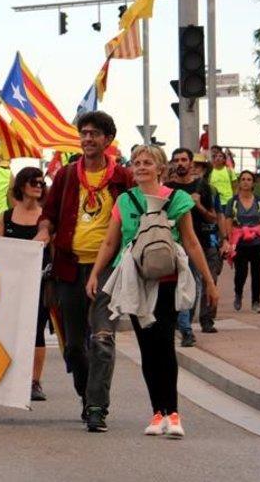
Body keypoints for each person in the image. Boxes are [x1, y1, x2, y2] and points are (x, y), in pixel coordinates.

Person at [85, 145, 219, 439]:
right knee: (147, 346)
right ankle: (157, 412)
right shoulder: (125, 200)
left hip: (167, 278)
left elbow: (191, 242)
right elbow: (110, 243)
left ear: (160, 168)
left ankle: (173, 413)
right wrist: (96, 273)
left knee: (164, 344)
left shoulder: (178, 200)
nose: (141, 167)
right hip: (134, 279)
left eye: (147, 163)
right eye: (136, 163)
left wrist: (209, 281)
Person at [37, 111, 134, 432]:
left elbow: (136, 218)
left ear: (108, 140)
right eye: (84, 134)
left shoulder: (123, 178)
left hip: (109, 270)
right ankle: (86, 393)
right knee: (75, 346)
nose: (88, 139)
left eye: (95, 134)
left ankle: (96, 408)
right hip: (68, 269)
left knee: (103, 339)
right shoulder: (66, 176)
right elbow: (48, 215)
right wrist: (43, 232)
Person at [0, 167, 50, 401]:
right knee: (11, 328)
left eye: (41, 182)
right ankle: (12, 376)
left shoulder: (46, 218)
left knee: (37, 329)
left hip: (40, 281)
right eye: (33, 181)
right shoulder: (6, 216)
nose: (38, 185)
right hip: (12, 281)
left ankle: (35, 381)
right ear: (21, 185)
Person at [165, 147, 221, 344]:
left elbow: (214, 218)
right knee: (177, 285)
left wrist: (198, 205)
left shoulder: (203, 188)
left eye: (183, 160)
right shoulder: (167, 188)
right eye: (176, 160)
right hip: (173, 244)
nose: (180, 163)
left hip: (198, 243)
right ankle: (183, 327)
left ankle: (186, 326)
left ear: (190, 163)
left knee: (193, 284)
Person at [221, 171, 260, 314]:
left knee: (257, 273)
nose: (246, 182)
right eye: (243, 179)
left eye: (249, 179)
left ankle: (256, 301)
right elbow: (228, 220)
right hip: (240, 241)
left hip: (257, 241)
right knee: (241, 273)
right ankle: (238, 294)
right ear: (239, 182)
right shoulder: (233, 202)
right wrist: (227, 239)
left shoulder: (259, 201)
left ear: (253, 183)